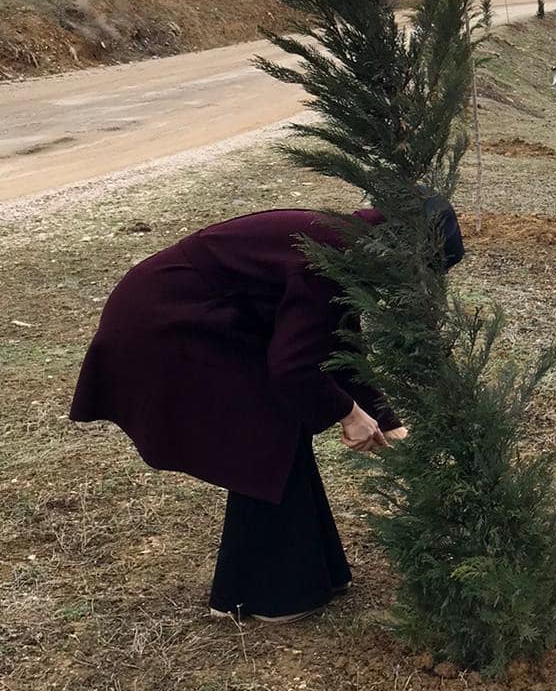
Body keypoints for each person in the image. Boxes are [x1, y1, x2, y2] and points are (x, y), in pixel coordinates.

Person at [70, 202, 463, 624]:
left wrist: (389, 423)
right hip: (164, 323)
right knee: (265, 430)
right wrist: (348, 413)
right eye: (422, 271)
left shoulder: (345, 246)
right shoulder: (327, 255)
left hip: (204, 318)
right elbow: (294, 368)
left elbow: (340, 344)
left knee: (278, 426)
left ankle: (309, 576)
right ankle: (263, 596)